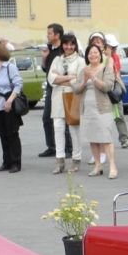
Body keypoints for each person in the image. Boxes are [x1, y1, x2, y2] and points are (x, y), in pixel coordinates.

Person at [73, 43, 118, 179]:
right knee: (92, 138)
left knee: (106, 138)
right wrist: (84, 81)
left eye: (95, 52)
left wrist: (93, 78)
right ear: (87, 56)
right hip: (87, 109)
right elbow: (76, 89)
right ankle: (98, 165)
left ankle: (112, 166)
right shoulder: (84, 70)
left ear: (100, 55)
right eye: (90, 53)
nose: (93, 55)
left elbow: (107, 86)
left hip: (103, 108)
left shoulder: (106, 69)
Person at [47, 32, 85, 174]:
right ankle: (60, 160)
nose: (69, 47)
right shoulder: (57, 59)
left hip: (73, 96)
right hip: (57, 97)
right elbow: (51, 79)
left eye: (71, 44)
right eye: (66, 44)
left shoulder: (80, 61)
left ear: (75, 45)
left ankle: (76, 159)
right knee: (58, 128)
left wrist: (60, 78)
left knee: (74, 129)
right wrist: (69, 77)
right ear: (62, 45)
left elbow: (79, 80)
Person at [0, 42, 24, 173]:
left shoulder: (10, 67)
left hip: (9, 103)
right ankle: (6, 161)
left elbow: (18, 85)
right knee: (2, 133)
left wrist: (10, 101)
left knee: (12, 133)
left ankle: (15, 162)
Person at [39, 23, 70, 158]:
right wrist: (44, 57)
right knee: (47, 118)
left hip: (62, 87)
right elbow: (45, 69)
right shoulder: (49, 49)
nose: (47, 36)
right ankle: (52, 146)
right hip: (50, 87)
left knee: (64, 118)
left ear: (57, 35)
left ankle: (69, 148)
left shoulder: (64, 50)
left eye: (50, 33)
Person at [100, 33, 128, 149]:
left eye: (114, 47)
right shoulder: (100, 58)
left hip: (114, 90)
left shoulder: (115, 57)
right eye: (111, 47)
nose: (113, 49)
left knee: (119, 115)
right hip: (103, 90)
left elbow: (117, 73)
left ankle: (124, 139)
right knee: (104, 118)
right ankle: (102, 142)